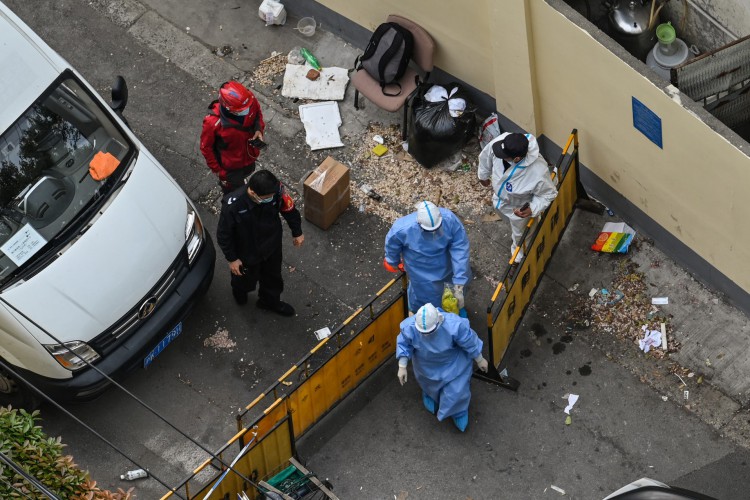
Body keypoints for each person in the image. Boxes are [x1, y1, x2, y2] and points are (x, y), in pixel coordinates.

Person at [216, 169, 304, 316]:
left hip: (271, 246)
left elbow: (289, 209)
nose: (270, 198)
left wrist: (297, 231)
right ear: (252, 192)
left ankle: (269, 302)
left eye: (271, 196)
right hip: (246, 253)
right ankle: (240, 292)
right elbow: (223, 234)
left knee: (273, 278)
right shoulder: (233, 206)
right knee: (243, 280)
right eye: (267, 197)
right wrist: (232, 259)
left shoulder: (277, 191)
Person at [396, 303, 488, 432]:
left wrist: (479, 358)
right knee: (428, 385)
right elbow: (404, 344)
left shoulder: (454, 325)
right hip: (426, 366)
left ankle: (459, 411)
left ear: (439, 320)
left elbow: (468, 340)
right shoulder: (410, 327)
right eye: (423, 332)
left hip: (453, 365)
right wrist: (402, 365)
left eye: (430, 331)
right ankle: (430, 394)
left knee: (456, 391)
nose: (426, 335)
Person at [477, 132, 558, 263]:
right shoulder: (503, 143)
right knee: (510, 225)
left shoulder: (537, 172)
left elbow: (548, 194)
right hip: (499, 201)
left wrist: (532, 208)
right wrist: (483, 175)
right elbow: (487, 154)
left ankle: (518, 258)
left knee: (521, 237)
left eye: (504, 157)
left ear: (516, 159)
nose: (500, 156)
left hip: (519, 209)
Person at [383, 201, 471, 314]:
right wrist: (392, 261)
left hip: (439, 270)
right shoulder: (403, 229)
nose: (434, 233)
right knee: (428, 297)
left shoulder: (449, 219)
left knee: (429, 298)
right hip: (421, 273)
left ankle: (425, 315)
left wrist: (460, 280)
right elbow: (392, 246)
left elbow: (460, 247)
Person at [200, 81, 266, 193]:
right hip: (230, 168)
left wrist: (258, 129)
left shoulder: (250, 100)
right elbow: (206, 148)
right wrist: (219, 171)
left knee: (249, 172)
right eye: (242, 111)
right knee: (234, 192)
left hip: (249, 156)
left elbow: (257, 114)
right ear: (228, 108)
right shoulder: (212, 122)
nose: (247, 111)